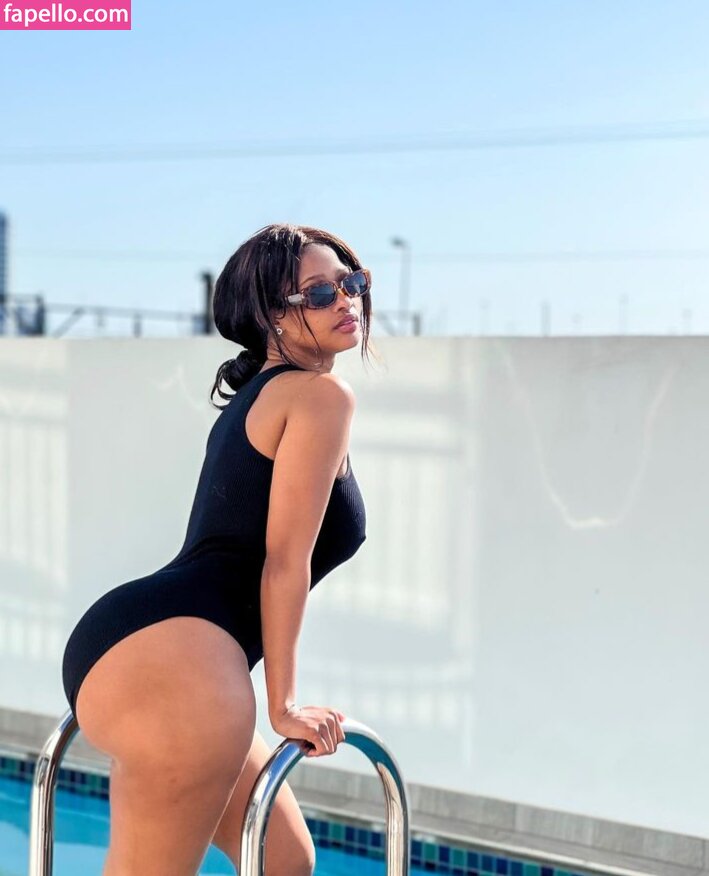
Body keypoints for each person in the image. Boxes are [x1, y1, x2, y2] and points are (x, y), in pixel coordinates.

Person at [61, 222, 374, 876]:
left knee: (284, 860)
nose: (346, 300)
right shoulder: (318, 396)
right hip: (176, 664)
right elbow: (282, 563)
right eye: (319, 293)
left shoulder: (264, 394)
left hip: (147, 646)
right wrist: (284, 706)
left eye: (351, 283)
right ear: (271, 317)